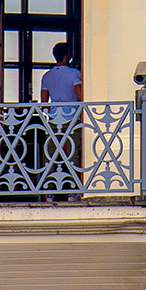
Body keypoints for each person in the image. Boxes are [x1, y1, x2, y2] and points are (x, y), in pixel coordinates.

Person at [38, 43, 83, 201]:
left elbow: (44, 101)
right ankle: (74, 190)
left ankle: (49, 191)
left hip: (54, 119)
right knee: (73, 154)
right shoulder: (74, 73)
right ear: (66, 57)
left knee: (51, 153)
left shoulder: (47, 76)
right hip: (71, 118)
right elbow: (80, 96)